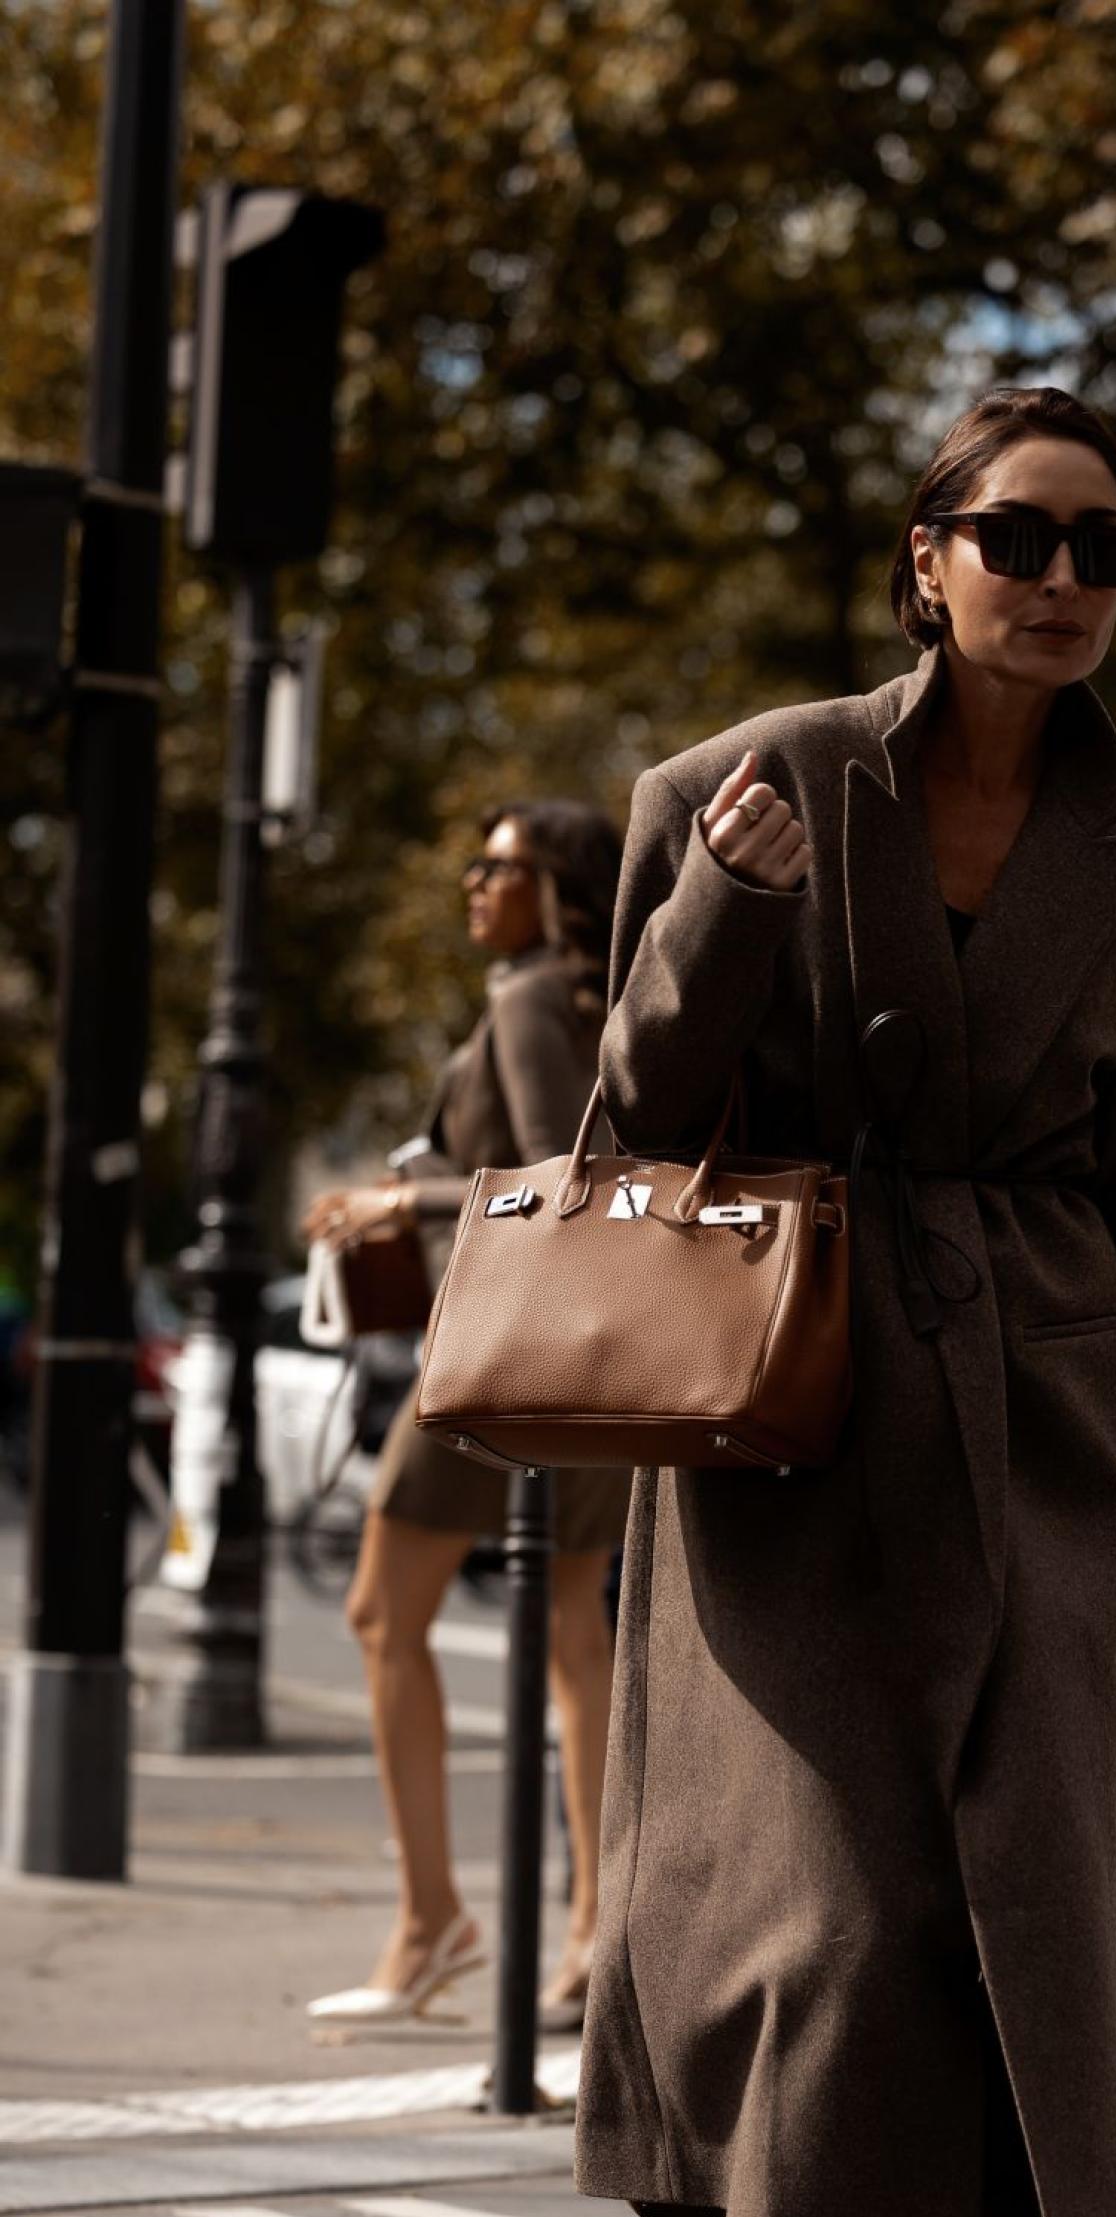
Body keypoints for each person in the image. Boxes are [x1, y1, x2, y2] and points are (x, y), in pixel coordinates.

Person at [575, 388, 1116, 2217]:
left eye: (1106, 550)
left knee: (1000, 1926)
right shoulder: (744, 786)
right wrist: (715, 920)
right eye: (1021, 537)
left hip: (1041, 1441)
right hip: (790, 1415)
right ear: (927, 556)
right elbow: (630, 1120)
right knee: (801, 1910)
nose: (1064, 581)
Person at [301, 801, 632, 2034]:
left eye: (499, 865)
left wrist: (399, 1201)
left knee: (384, 1610)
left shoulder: (526, 999)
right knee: (569, 1625)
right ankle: (595, 1927)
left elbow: (559, 1176)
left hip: (503, 1344)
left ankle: (431, 1918)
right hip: (591, 1356)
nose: (470, 882)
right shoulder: (591, 997)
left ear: (555, 892)